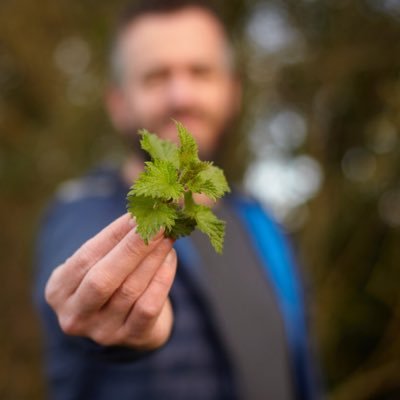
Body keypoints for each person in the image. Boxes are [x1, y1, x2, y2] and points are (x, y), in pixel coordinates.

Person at [34, 1, 320, 399]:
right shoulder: (82, 209)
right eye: (155, 76)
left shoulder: (265, 225)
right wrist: (126, 324)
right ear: (118, 103)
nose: (180, 95)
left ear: (232, 90)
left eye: (200, 72)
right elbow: (74, 269)